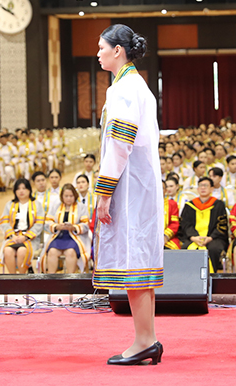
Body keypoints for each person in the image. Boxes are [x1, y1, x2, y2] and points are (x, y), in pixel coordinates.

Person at [93, 24, 164, 365]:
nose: (98, 52)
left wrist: (104, 190)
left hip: (130, 182)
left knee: (134, 261)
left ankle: (144, 340)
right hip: (140, 180)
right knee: (140, 261)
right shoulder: (137, 85)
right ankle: (146, 338)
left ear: (118, 51)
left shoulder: (123, 88)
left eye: (102, 47)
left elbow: (120, 142)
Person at [179, 176, 229, 272]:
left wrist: (210, 238)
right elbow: (185, 225)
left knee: (214, 249)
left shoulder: (218, 205)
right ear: (197, 189)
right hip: (193, 238)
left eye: (205, 186)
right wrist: (193, 237)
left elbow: (222, 225)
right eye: (201, 186)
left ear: (212, 189)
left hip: (213, 238)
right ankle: (189, 277)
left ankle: (211, 277)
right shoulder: (189, 206)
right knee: (186, 248)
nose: (203, 188)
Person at [43, 184, 89, 273]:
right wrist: (57, 226)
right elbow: (47, 222)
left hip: (75, 237)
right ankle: (50, 280)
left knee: (70, 252)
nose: (68, 198)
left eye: (71, 196)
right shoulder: (56, 206)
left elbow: (86, 225)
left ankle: (69, 281)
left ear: (75, 196)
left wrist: (74, 227)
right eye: (66, 196)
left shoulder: (81, 207)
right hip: (58, 236)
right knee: (52, 252)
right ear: (62, 197)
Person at [0, 178, 41, 275]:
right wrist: (12, 236)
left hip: (30, 239)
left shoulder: (36, 205)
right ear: (15, 191)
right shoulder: (10, 205)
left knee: (22, 251)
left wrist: (25, 237)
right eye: (18, 189)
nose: (21, 191)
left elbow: (39, 224)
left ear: (29, 190)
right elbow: (4, 222)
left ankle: (22, 278)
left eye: (24, 188)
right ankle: (13, 279)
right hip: (13, 237)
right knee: (8, 251)